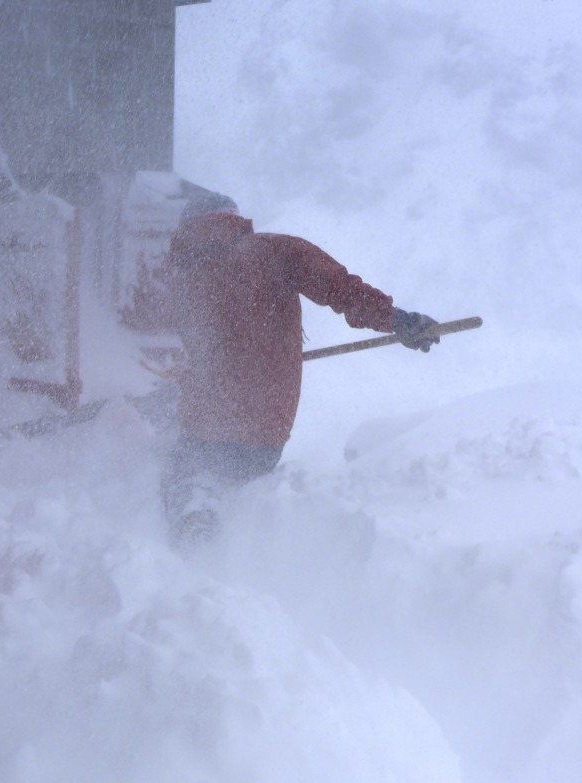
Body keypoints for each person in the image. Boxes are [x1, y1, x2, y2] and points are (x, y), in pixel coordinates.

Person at [134, 204, 440, 543]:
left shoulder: (183, 281)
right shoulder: (276, 250)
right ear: (232, 219)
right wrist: (398, 320)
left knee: (184, 472)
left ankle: (196, 531)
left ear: (187, 229)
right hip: (267, 431)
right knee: (240, 482)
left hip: (208, 425)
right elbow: (342, 289)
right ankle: (241, 542)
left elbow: (190, 357)